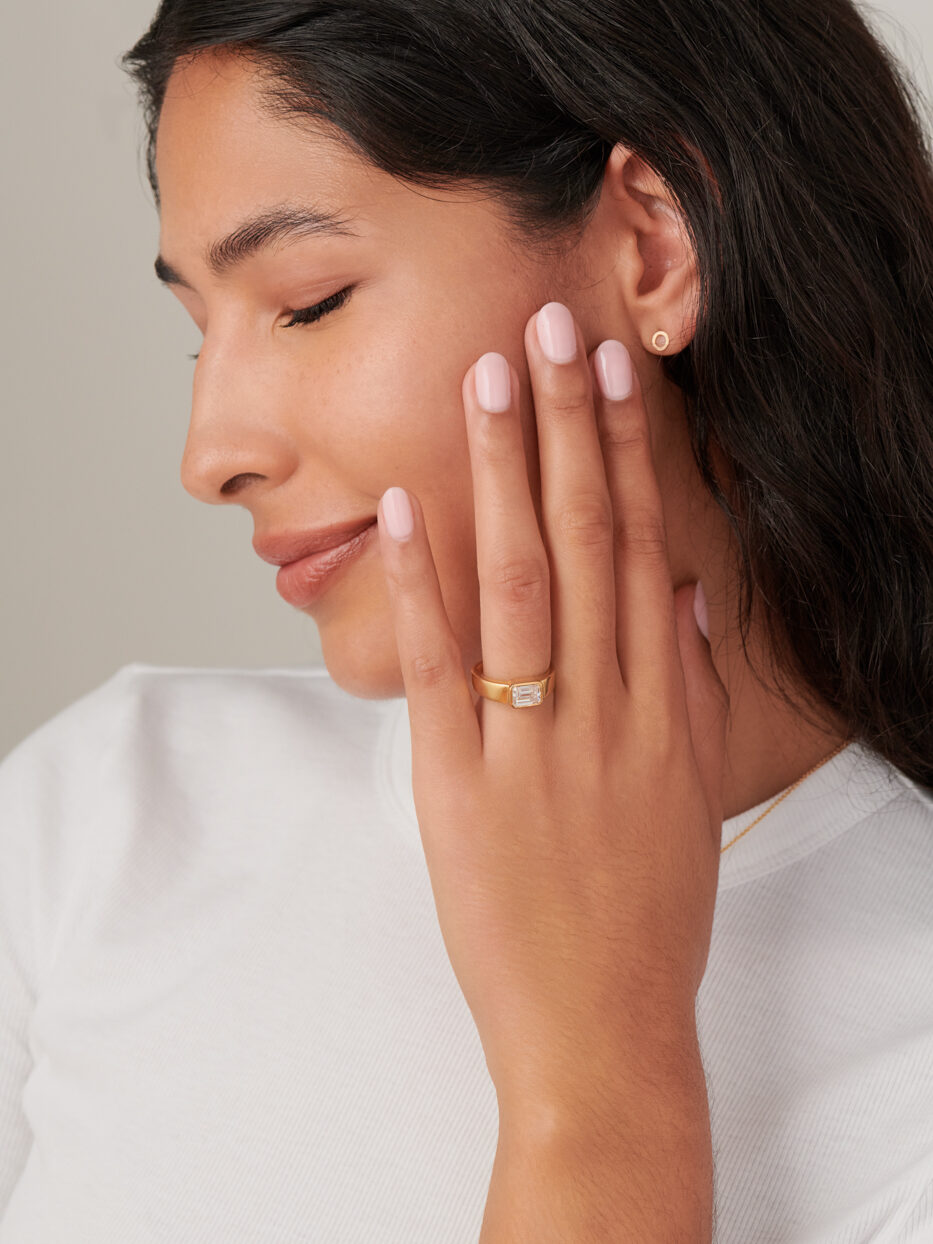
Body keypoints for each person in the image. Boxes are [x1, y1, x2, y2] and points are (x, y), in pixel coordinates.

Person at [1, 0, 931, 1238]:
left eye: (307, 299)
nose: (210, 453)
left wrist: (601, 1088)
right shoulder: (105, 815)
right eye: (197, 334)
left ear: (652, 245)